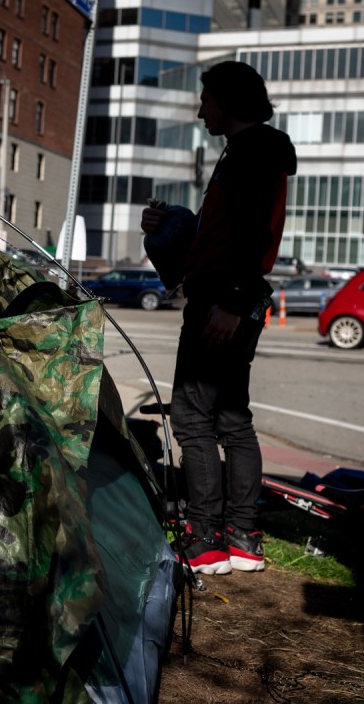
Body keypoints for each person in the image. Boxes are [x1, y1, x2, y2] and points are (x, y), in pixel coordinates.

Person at [141, 61, 297, 576]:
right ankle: (243, 539)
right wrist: (170, 229)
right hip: (232, 297)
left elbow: (252, 235)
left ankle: (205, 539)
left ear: (228, 101)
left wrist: (232, 301)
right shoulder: (252, 152)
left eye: (206, 98)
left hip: (224, 302)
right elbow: (227, 234)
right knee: (232, 420)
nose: (200, 108)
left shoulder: (253, 151)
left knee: (192, 417)